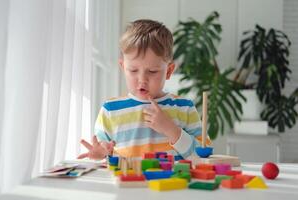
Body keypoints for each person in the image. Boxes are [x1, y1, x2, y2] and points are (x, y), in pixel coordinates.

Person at [78, 19, 210, 160]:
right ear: (123, 67)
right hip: (127, 182)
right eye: (133, 70)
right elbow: (103, 154)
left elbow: (203, 157)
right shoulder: (110, 110)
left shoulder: (185, 108)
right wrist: (101, 153)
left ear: (169, 71)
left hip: (171, 182)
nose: (142, 79)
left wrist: (171, 130)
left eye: (152, 71)